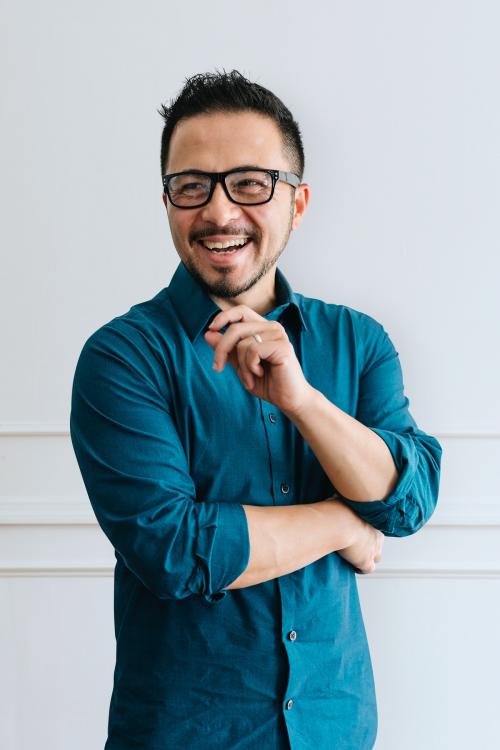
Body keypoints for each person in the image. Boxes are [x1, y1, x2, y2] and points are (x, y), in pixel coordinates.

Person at [70, 69, 442, 750]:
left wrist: (301, 400)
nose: (218, 212)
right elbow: (174, 549)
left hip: (335, 727)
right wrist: (341, 524)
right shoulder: (122, 358)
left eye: (249, 184)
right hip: (184, 734)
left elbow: (407, 500)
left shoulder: (358, 344)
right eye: (192, 186)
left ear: (297, 204)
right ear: (167, 203)